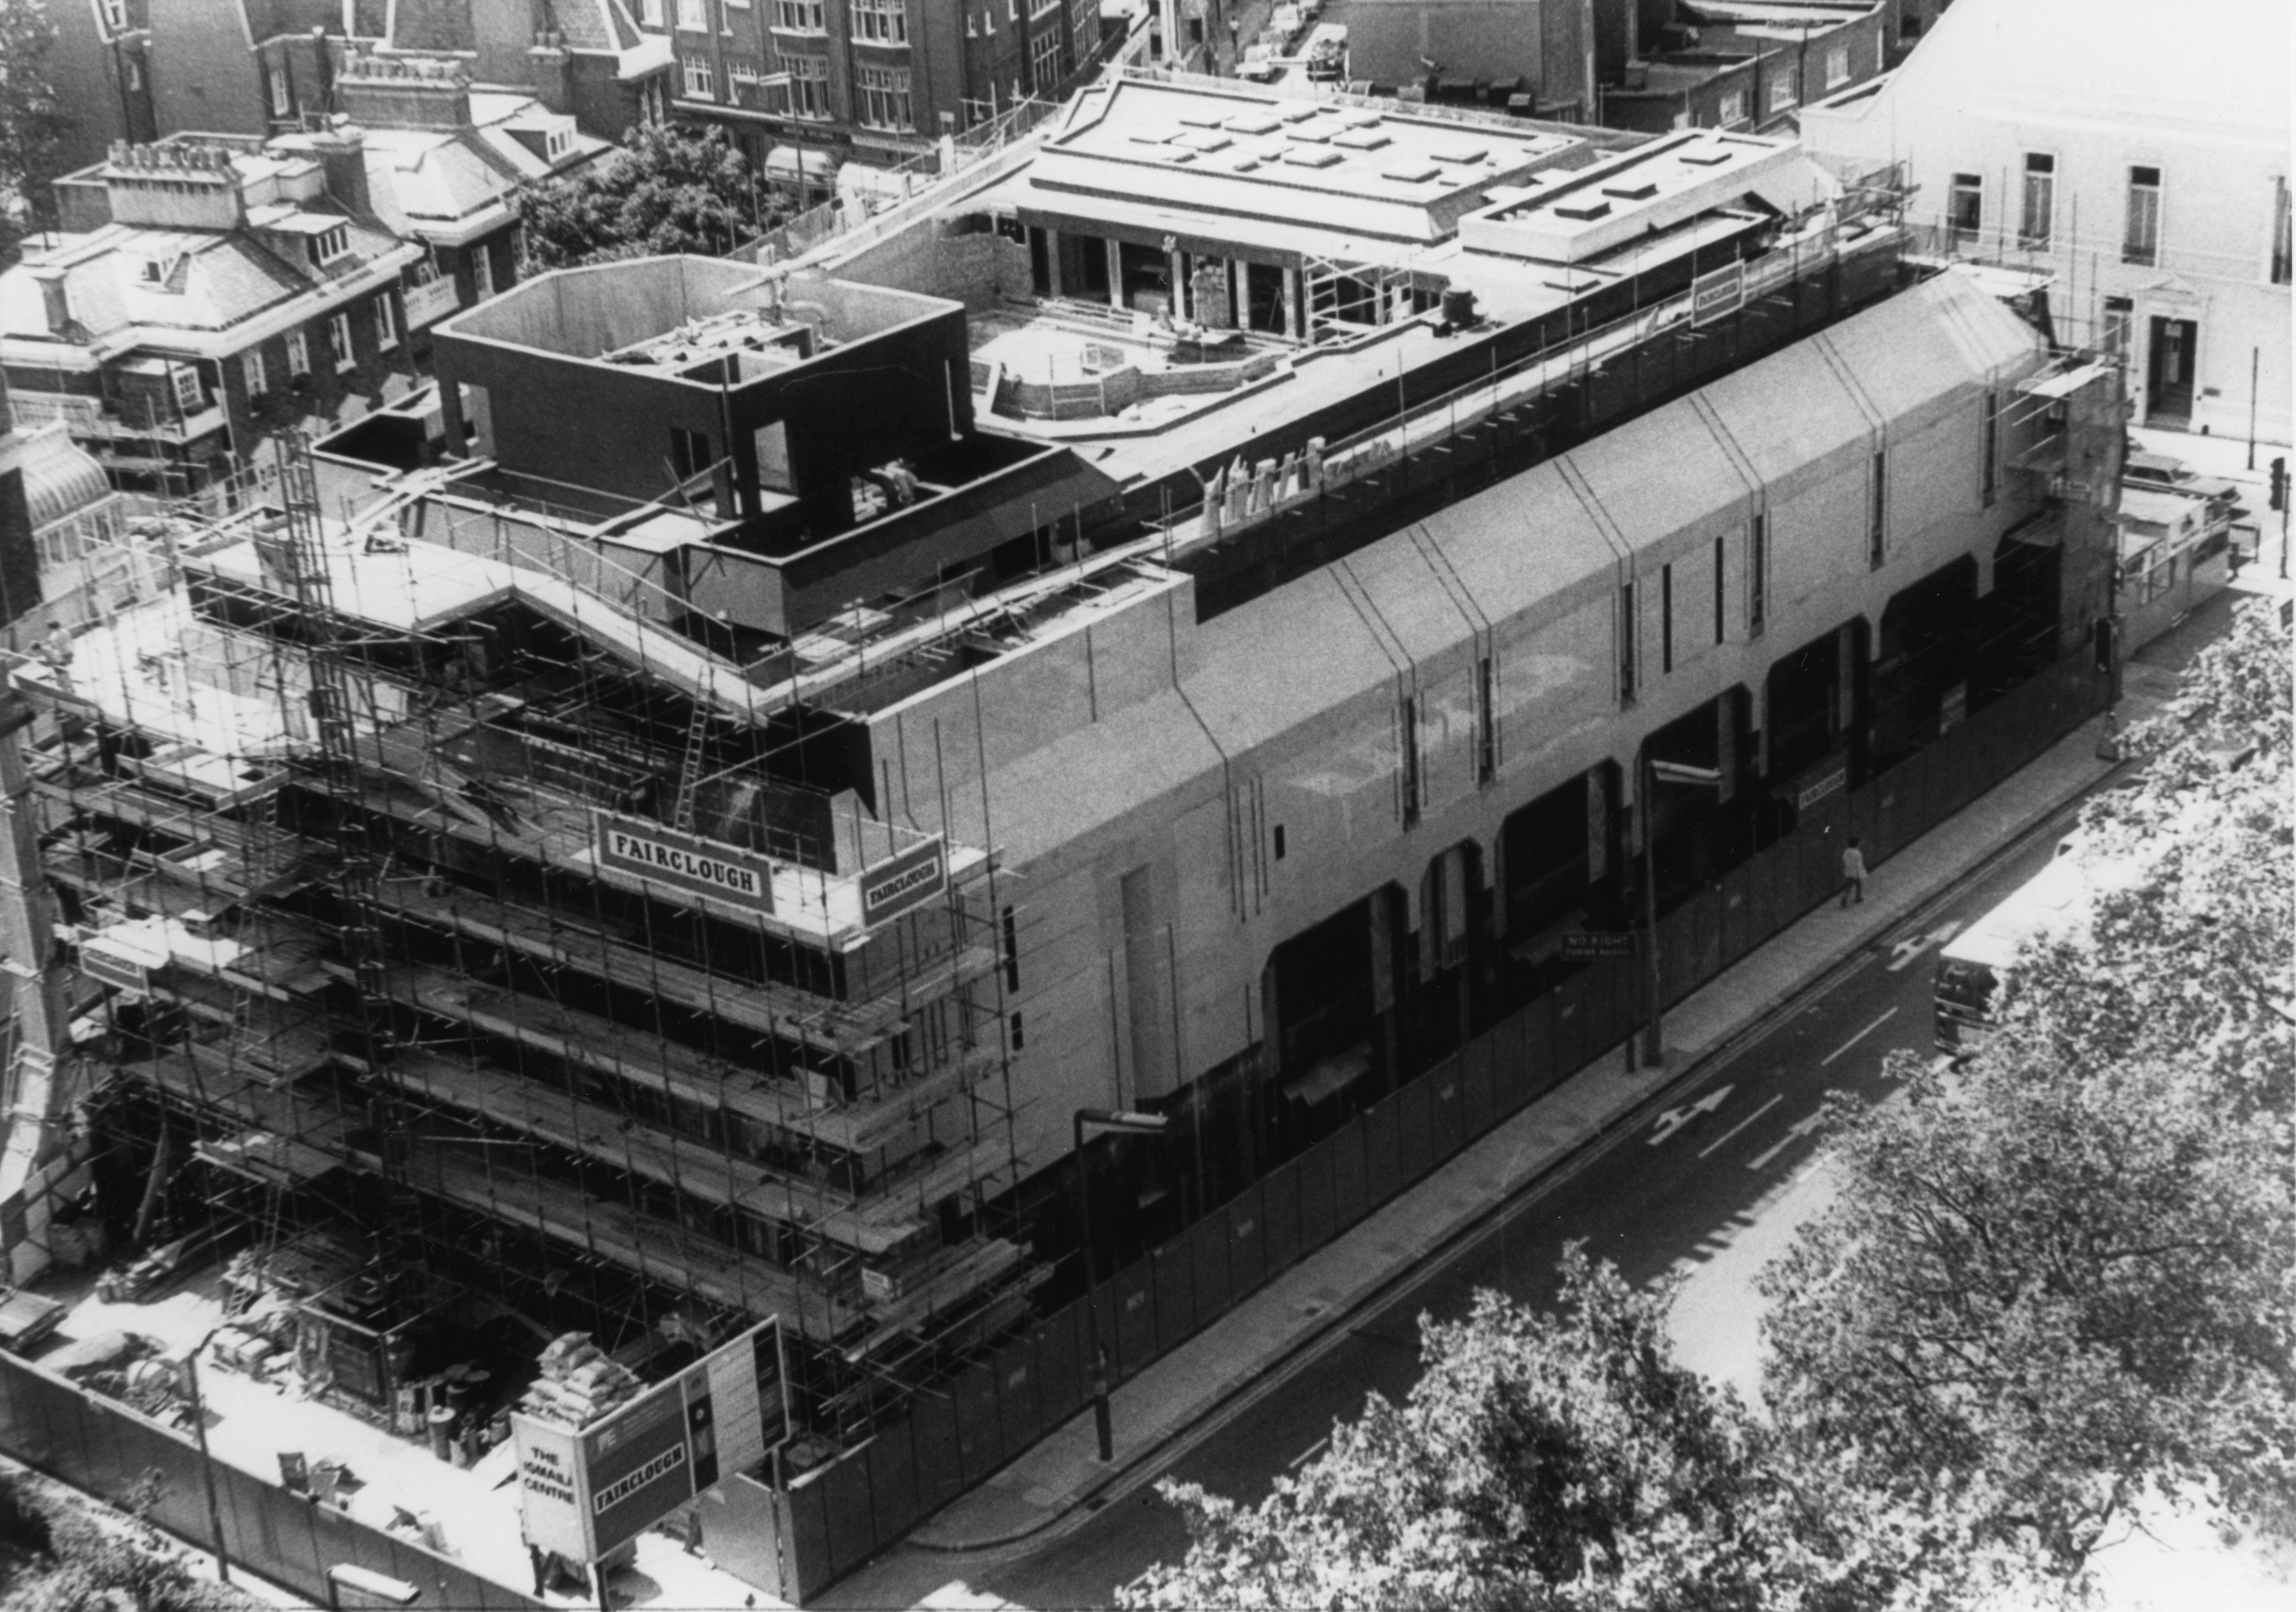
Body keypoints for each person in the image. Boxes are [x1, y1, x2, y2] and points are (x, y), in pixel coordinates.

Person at [1840, 836, 1867, 909]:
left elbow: (1844, 860)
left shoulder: (1846, 852)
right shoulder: (1857, 853)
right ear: (1857, 844)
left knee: (1848, 886)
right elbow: (1859, 864)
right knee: (1859, 885)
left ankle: (1845, 898)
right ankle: (1858, 897)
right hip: (1856, 872)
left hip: (1849, 872)